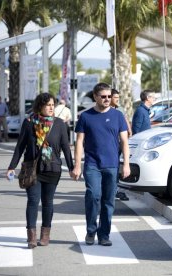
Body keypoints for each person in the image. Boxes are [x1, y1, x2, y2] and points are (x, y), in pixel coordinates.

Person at [6, 93, 74, 249]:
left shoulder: (59, 124)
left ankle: (45, 235)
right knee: (33, 201)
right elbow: (20, 147)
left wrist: (71, 167)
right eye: (47, 105)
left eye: (52, 105)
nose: (51, 108)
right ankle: (31, 237)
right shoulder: (29, 123)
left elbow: (66, 148)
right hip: (32, 169)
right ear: (39, 106)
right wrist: (11, 167)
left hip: (52, 169)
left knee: (48, 202)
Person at [72, 82, 130, 247]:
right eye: (103, 96)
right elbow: (79, 142)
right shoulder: (85, 116)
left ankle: (104, 234)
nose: (107, 99)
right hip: (92, 164)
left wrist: (126, 164)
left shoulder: (118, 116)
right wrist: (77, 165)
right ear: (95, 97)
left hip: (111, 165)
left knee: (108, 201)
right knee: (93, 196)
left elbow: (124, 141)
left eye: (109, 96)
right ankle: (91, 231)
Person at [110, 88, 131, 201]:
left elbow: (125, 119)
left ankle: (115, 189)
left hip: (120, 142)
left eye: (118, 98)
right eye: (115, 98)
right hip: (111, 143)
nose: (117, 100)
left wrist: (129, 130)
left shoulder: (120, 110)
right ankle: (112, 189)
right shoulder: (106, 110)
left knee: (117, 165)